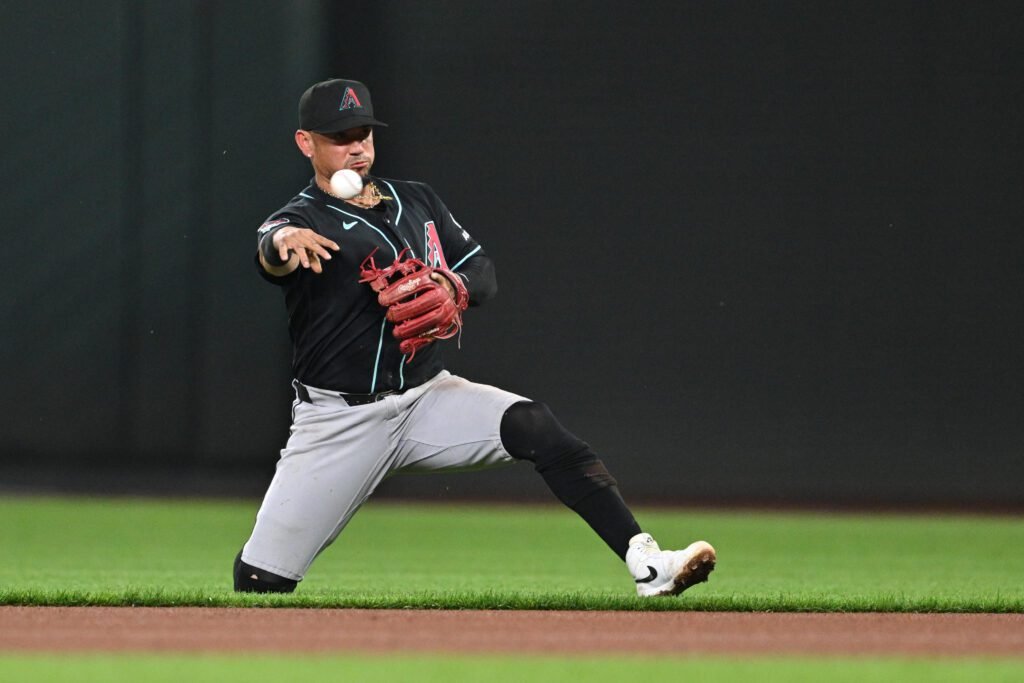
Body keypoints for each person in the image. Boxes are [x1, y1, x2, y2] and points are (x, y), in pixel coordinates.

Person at [236, 78, 716, 597]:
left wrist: (453, 283)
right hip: (339, 421)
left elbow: (481, 269)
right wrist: (282, 241)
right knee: (261, 581)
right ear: (306, 143)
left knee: (538, 428)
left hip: (425, 399)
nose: (356, 147)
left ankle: (648, 564)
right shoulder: (303, 219)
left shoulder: (416, 200)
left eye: (363, 134)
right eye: (338, 136)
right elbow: (271, 249)